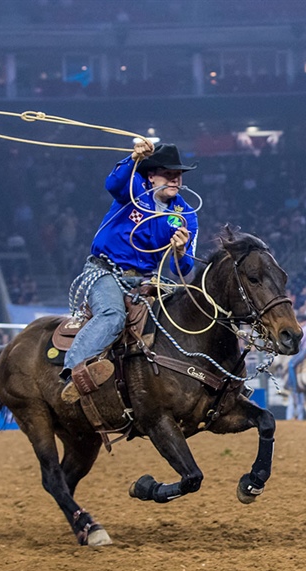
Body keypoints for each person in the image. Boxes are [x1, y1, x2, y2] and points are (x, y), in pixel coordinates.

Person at [60, 141, 199, 401]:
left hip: (146, 279)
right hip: (105, 271)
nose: (175, 180)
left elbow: (184, 267)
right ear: (151, 175)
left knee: (183, 317)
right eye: (168, 174)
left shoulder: (186, 215)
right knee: (113, 315)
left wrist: (180, 252)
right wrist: (133, 157)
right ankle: (73, 373)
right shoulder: (134, 190)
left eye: (178, 175)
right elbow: (112, 184)